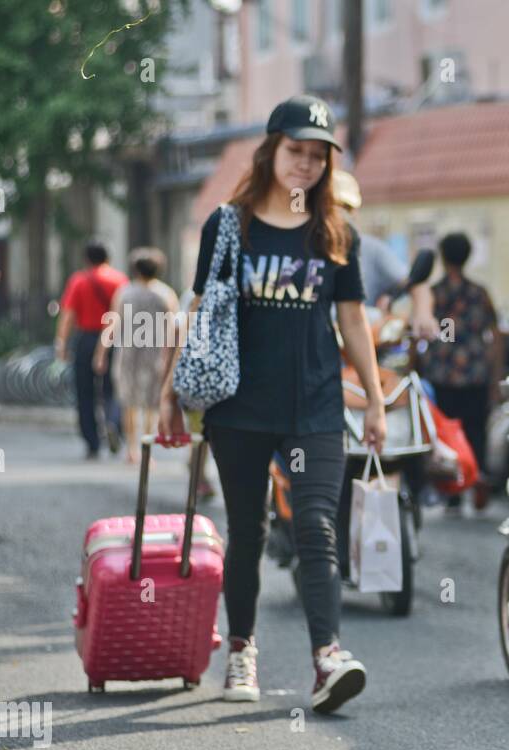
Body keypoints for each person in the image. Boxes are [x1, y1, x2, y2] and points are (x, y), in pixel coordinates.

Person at [159, 94, 386, 712]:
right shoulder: (229, 226)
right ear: (271, 150)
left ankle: (327, 658)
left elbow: (352, 318)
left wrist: (372, 401)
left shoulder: (336, 230)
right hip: (239, 406)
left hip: (314, 405)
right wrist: (169, 395)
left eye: (318, 156)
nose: (306, 165)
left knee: (315, 526)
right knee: (249, 530)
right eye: (296, 151)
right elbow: (200, 310)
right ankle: (241, 649)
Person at [424, 232, 504, 511]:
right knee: (475, 431)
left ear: (443, 257)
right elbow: (495, 335)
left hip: (442, 374)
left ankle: (452, 489)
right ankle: (477, 478)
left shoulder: (433, 294)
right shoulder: (479, 293)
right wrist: (496, 377)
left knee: (447, 432)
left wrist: (414, 366)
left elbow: (416, 334)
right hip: (475, 373)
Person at [330, 169, 439, 338]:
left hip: (361, 343)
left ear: (355, 212)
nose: (339, 215)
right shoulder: (300, 249)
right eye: (331, 207)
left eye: (346, 208)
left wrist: (422, 314)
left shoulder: (371, 250)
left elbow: (416, 284)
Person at [95, 248, 178, 463]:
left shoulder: (125, 292)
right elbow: (174, 329)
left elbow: (112, 323)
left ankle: (131, 448)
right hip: (156, 353)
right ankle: (145, 448)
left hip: (129, 352)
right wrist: (173, 357)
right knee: (151, 403)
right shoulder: (166, 294)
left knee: (128, 402)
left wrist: (101, 353)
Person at [57, 242, 127, 459]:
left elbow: (68, 314)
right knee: (112, 389)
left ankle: (92, 441)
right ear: (108, 257)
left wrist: (61, 343)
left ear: (87, 259)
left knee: (84, 392)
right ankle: (113, 423)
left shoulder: (79, 280)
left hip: (86, 338)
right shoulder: (119, 280)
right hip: (114, 338)